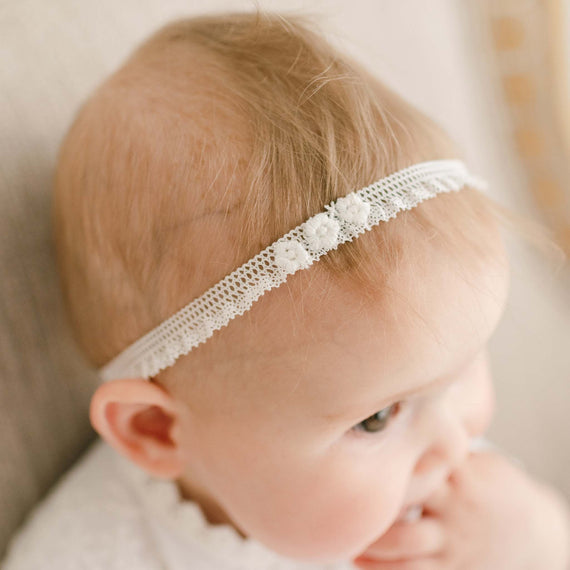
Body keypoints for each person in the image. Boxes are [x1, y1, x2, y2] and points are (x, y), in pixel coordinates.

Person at [3, 10, 569, 570]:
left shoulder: (449, 497)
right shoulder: (92, 554)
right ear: (156, 430)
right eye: (376, 419)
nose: (455, 442)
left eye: (466, 364)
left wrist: (531, 542)